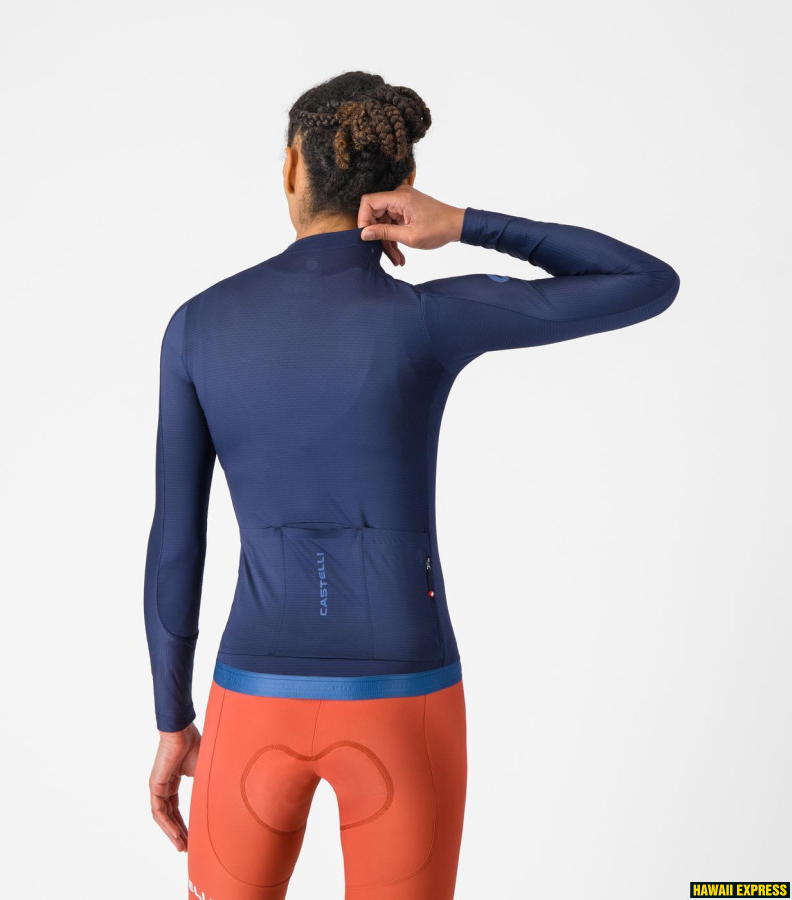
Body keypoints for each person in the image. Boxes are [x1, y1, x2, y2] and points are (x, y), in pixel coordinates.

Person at [143, 71, 680, 900]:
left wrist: (172, 720)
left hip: (253, 692)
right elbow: (646, 281)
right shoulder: (426, 319)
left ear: (291, 167)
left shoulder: (197, 327)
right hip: (403, 693)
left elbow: (177, 546)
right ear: (403, 188)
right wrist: (464, 224)